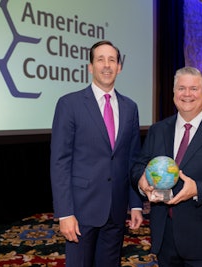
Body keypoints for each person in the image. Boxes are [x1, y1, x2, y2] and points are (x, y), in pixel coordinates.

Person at [131, 66, 202, 267]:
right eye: (181, 88)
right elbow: (139, 165)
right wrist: (142, 180)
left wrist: (198, 188)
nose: (187, 94)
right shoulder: (158, 130)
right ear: (174, 93)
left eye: (194, 88)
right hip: (165, 235)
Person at [50, 40, 143, 267]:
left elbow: (132, 160)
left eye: (112, 60)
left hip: (116, 209)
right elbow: (60, 162)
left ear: (119, 67)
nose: (107, 65)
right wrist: (64, 213)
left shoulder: (130, 107)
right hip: (81, 210)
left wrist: (136, 204)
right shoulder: (69, 104)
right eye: (100, 59)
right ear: (90, 67)